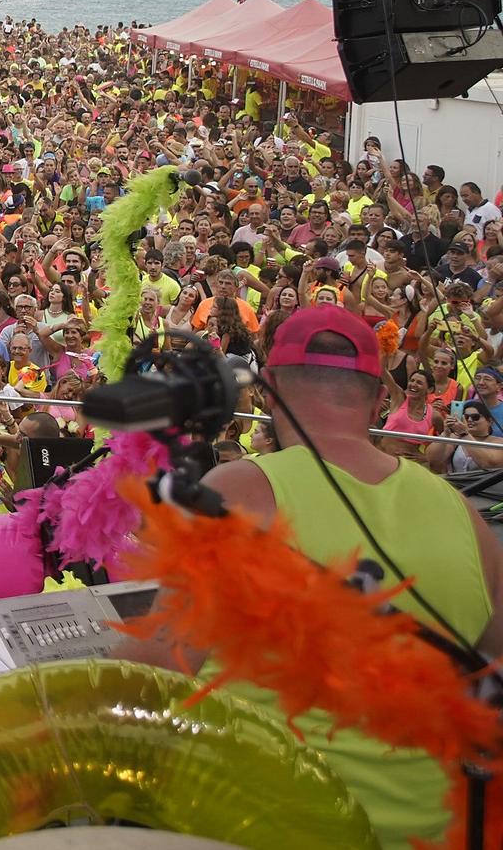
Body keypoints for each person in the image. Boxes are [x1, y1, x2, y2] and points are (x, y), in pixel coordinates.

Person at [119, 306, 501, 849]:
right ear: (379, 398)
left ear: (269, 391)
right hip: (437, 833)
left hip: (276, 826)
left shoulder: (244, 490)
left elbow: (153, 674)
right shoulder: (463, 512)